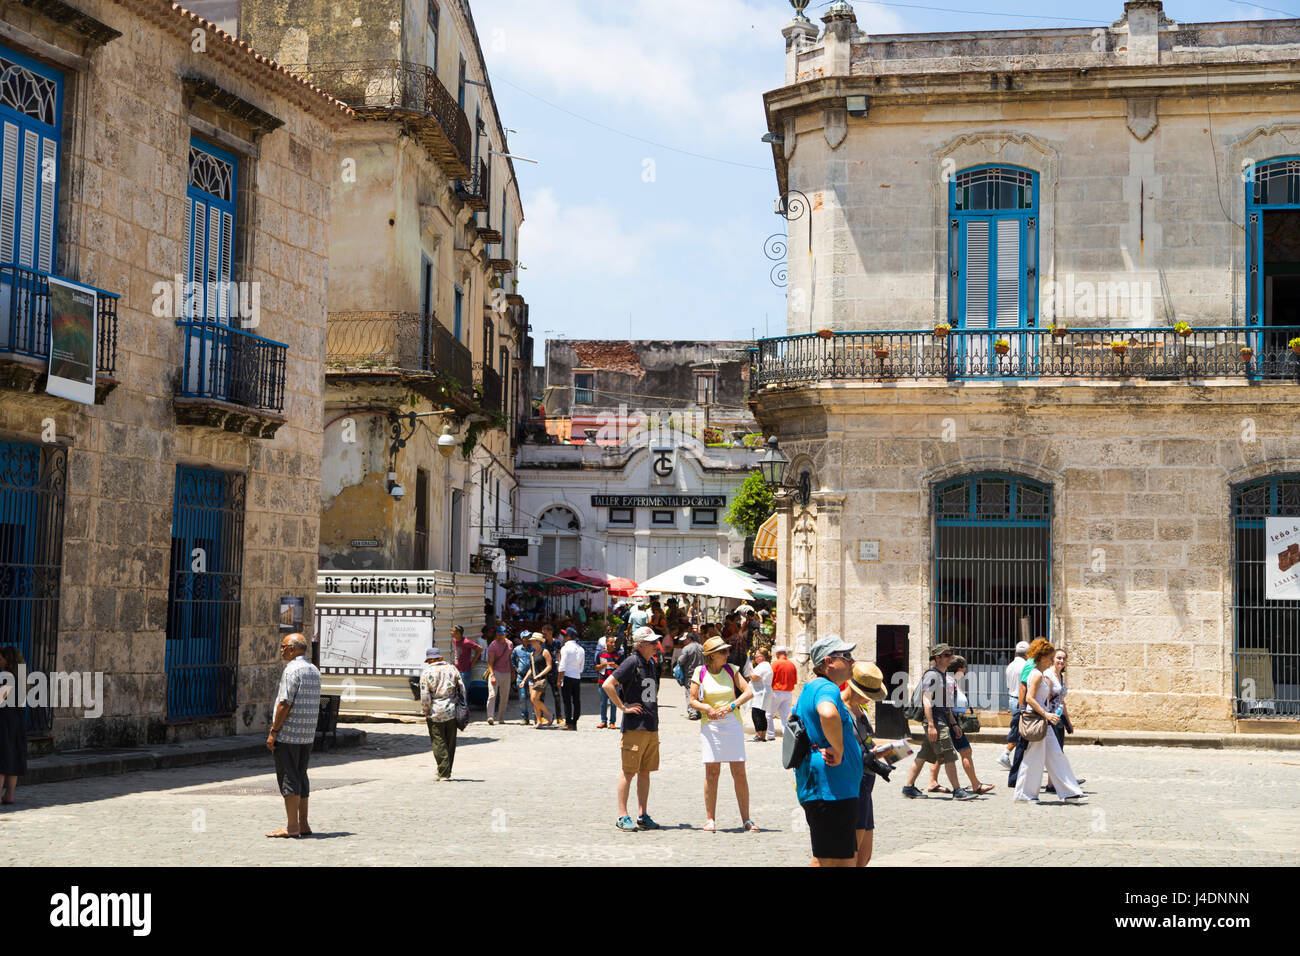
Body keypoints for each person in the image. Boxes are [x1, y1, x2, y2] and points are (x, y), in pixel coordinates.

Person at [792, 636, 863, 867]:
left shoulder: (814, 688)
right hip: (830, 789)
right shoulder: (826, 687)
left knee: (841, 859)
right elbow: (828, 713)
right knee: (833, 861)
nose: (852, 661)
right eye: (847, 656)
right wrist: (839, 748)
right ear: (829, 661)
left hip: (833, 789)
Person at [689, 636, 758, 832]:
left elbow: (748, 692)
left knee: (739, 771)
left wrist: (732, 705)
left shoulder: (732, 670)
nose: (727, 654)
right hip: (710, 725)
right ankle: (710, 819)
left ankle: (746, 819)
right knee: (712, 772)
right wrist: (707, 708)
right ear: (711, 656)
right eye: (723, 652)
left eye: (727, 651)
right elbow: (693, 700)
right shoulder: (700, 672)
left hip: (732, 723)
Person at [602, 626, 662, 832]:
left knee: (645, 772)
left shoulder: (651, 663)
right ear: (640, 645)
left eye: (656, 642)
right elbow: (608, 684)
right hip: (635, 727)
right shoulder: (631, 662)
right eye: (652, 643)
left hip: (650, 725)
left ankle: (642, 814)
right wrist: (622, 706)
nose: (656, 646)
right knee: (629, 772)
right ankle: (622, 815)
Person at [265, 633, 321, 837]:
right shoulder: (313, 670)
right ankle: (303, 823)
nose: (281, 650)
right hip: (306, 734)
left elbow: (284, 703)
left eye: (283, 646)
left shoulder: (292, 670)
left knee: (289, 776)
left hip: (289, 734)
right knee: (301, 775)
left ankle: (292, 826)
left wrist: (274, 731)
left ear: (293, 648)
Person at [900, 644, 973, 799]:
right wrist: (931, 724)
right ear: (937, 658)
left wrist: (953, 724)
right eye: (946, 655)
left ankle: (908, 787)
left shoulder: (944, 676)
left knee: (923, 755)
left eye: (951, 654)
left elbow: (947, 705)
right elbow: (927, 700)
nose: (950, 657)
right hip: (936, 722)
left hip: (943, 721)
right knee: (949, 755)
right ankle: (958, 790)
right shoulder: (932, 676)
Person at [1014, 642, 1084, 802]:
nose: (1051, 660)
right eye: (1049, 657)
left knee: (1055, 754)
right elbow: (1029, 698)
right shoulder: (1037, 674)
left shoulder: (1038, 672)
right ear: (1042, 657)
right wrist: (1046, 714)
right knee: (1034, 758)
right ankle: (1024, 794)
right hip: (1038, 720)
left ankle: (1069, 791)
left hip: (1043, 720)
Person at [843, 662, 891, 867]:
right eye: (866, 695)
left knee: (865, 856)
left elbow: (867, 742)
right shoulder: (841, 711)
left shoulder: (861, 710)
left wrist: (884, 750)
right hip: (853, 783)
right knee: (851, 855)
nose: (869, 700)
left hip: (867, 782)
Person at [927, 656, 994, 795]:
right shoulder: (950, 682)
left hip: (947, 720)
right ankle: (976, 785)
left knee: (940, 752)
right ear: (959, 669)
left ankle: (933, 782)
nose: (965, 672)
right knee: (965, 751)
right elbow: (948, 706)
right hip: (952, 721)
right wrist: (954, 723)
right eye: (964, 669)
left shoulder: (950, 680)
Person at [1008, 637, 1049, 788]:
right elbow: (1023, 687)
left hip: (1029, 708)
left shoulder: (1034, 666)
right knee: (1021, 743)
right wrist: (1022, 708)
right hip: (1027, 709)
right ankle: (1014, 778)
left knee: (1022, 743)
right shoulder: (1030, 666)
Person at [420, 645, 465, 780]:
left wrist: (426, 710)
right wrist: (462, 705)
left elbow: (425, 695)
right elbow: (462, 688)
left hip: (435, 711)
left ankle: (444, 772)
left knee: (438, 741)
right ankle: (446, 770)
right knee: (450, 742)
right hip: (452, 710)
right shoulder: (452, 669)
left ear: (429, 660)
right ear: (440, 657)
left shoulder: (426, 673)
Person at [0, 646, 27, 806]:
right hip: (18, 720)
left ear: (7, 659)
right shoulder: (23, 677)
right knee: (14, 755)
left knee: (2, 757)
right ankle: (9, 794)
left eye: (1, 657)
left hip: (4, 720)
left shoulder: (5, 676)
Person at [1000, 640, 1030, 768]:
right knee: (1021, 730)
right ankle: (1005, 754)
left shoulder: (1010, 666)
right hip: (1021, 700)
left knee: (1019, 728)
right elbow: (1026, 686)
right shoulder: (1026, 666)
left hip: (1012, 698)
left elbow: (1008, 685)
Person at [558, 626, 586, 731]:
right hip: (577, 677)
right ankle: (574, 723)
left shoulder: (565, 648)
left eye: (564, 635)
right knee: (576, 700)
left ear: (568, 636)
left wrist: (559, 679)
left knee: (567, 701)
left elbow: (562, 666)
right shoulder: (581, 649)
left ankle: (568, 722)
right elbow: (581, 668)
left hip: (567, 676)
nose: (563, 637)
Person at [485, 624, 513, 726]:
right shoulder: (493, 645)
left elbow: (510, 659)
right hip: (495, 671)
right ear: (497, 634)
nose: (501, 636)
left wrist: (513, 672)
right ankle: (490, 716)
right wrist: (492, 675)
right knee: (492, 694)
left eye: (503, 634)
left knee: (504, 696)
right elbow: (490, 662)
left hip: (507, 672)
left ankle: (501, 717)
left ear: (505, 634)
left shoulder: (510, 644)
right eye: (499, 634)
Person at [526, 633, 555, 728]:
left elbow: (549, 666)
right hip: (532, 679)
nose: (531, 642)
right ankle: (538, 722)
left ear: (538, 642)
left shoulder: (545, 652)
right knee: (534, 701)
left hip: (541, 679)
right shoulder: (531, 654)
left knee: (534, 698)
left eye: (533, 641)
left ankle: (549, 715)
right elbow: (531, 668)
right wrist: (524, 680)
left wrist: (540, 674)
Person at [675, 628, 705, 721]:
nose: (683, 642)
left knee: (690, 693)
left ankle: (692, 712)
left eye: (684, 640)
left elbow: (680, 661)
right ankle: (699, 711)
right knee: (700, 693)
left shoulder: (687, 648)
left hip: (690, 674)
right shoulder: (702, 647)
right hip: (702, 674)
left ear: (689, 639)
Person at [746, 649, 774, 743]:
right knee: (761, 714)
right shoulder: (766, 665)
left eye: (758, 656)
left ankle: (759, 735)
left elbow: (755, 677)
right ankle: (762, 735)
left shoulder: (763, 665)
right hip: (762, 691)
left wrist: (749, 672)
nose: (756, 658)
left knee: (756, 713)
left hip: (760, 692)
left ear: (763, 656)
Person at [769, 645, 797, 737]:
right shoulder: (792, 665)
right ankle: (787, 735)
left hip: (776, 692)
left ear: (777, 653)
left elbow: (770, 679)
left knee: (769, 714)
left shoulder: (775, 664)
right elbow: (794, 681)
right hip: (788, 693)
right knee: (785, 716)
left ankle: (770, 735)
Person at [595, 637, 620, 728]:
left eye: (614, 643)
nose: (613, 644)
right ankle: (603, 721)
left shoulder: (618, 655)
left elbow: (622, 668)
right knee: (603, 702)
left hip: (614, 683)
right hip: (602, 681)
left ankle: (612, 722)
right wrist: (601, 665)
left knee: (614, 703)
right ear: (606, 643)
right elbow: (596, 667)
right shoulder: (601, 654)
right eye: (611, 642)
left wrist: (615, 665)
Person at [512, 633, 534, 725]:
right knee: (522, 697)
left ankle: (536, 716)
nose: (528, 639)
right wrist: (516, 668)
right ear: (522, 639)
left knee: (533, 697)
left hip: (532, 676)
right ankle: (525, 717)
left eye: (529, 637)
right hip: (520, 676)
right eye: (526, 637)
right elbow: (512, 659)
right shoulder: (517, 649)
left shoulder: (533, 648)